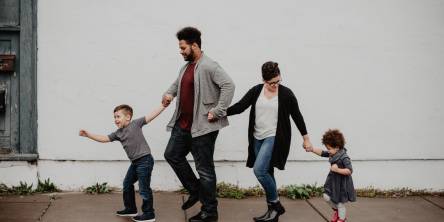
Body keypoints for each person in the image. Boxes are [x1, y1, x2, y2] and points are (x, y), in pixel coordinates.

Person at [162, 27, 235, 222]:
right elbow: (177, 84)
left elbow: (229, 85)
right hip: (183, 124)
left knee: (204, 169)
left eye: (183, 47)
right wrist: (169, 94)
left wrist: (218, 111)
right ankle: (195, 190)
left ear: (194, 45)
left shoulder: (209, 65)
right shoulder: (186, 66)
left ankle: (210, 212)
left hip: (202, 127)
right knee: (172, 155)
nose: (181, 51)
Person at [227, 61, 313, 222]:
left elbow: (297, 116)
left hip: (274, 137)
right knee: (268, 172)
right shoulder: (256, 91)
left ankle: (276, 205)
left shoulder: (286, 94)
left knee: (259, 171)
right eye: (271, 83)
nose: (275, 85)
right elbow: (240, 107)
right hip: (257, 137)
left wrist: (306, 139)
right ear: (264, 80)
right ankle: (272, 214)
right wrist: (220, 113)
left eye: (278, 81)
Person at [79, 104, 165, 222]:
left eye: (118, 117)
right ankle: (130, 208)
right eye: (114, 117)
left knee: (144, 188)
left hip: (145, 160)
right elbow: (104, 138)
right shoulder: (118, 133)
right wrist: (88, 135)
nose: (115, 120)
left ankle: (149, 213)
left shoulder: (136, 124)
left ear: (128, 117)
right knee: (127, 183)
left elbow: (151, 115)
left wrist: (163, 105)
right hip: (135, 162)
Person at [305, 129, 356, 222]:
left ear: (337, 147)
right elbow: (322, 153)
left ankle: (342, 219)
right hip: (332, 182)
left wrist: (337, 170)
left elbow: (349, 170)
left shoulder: (344, 157)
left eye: (329, 149)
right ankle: (337, 210)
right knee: (326, 196)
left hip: (341, 184)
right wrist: (312, 149)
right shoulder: (333, 153)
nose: (328, 151)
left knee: (340, 203)